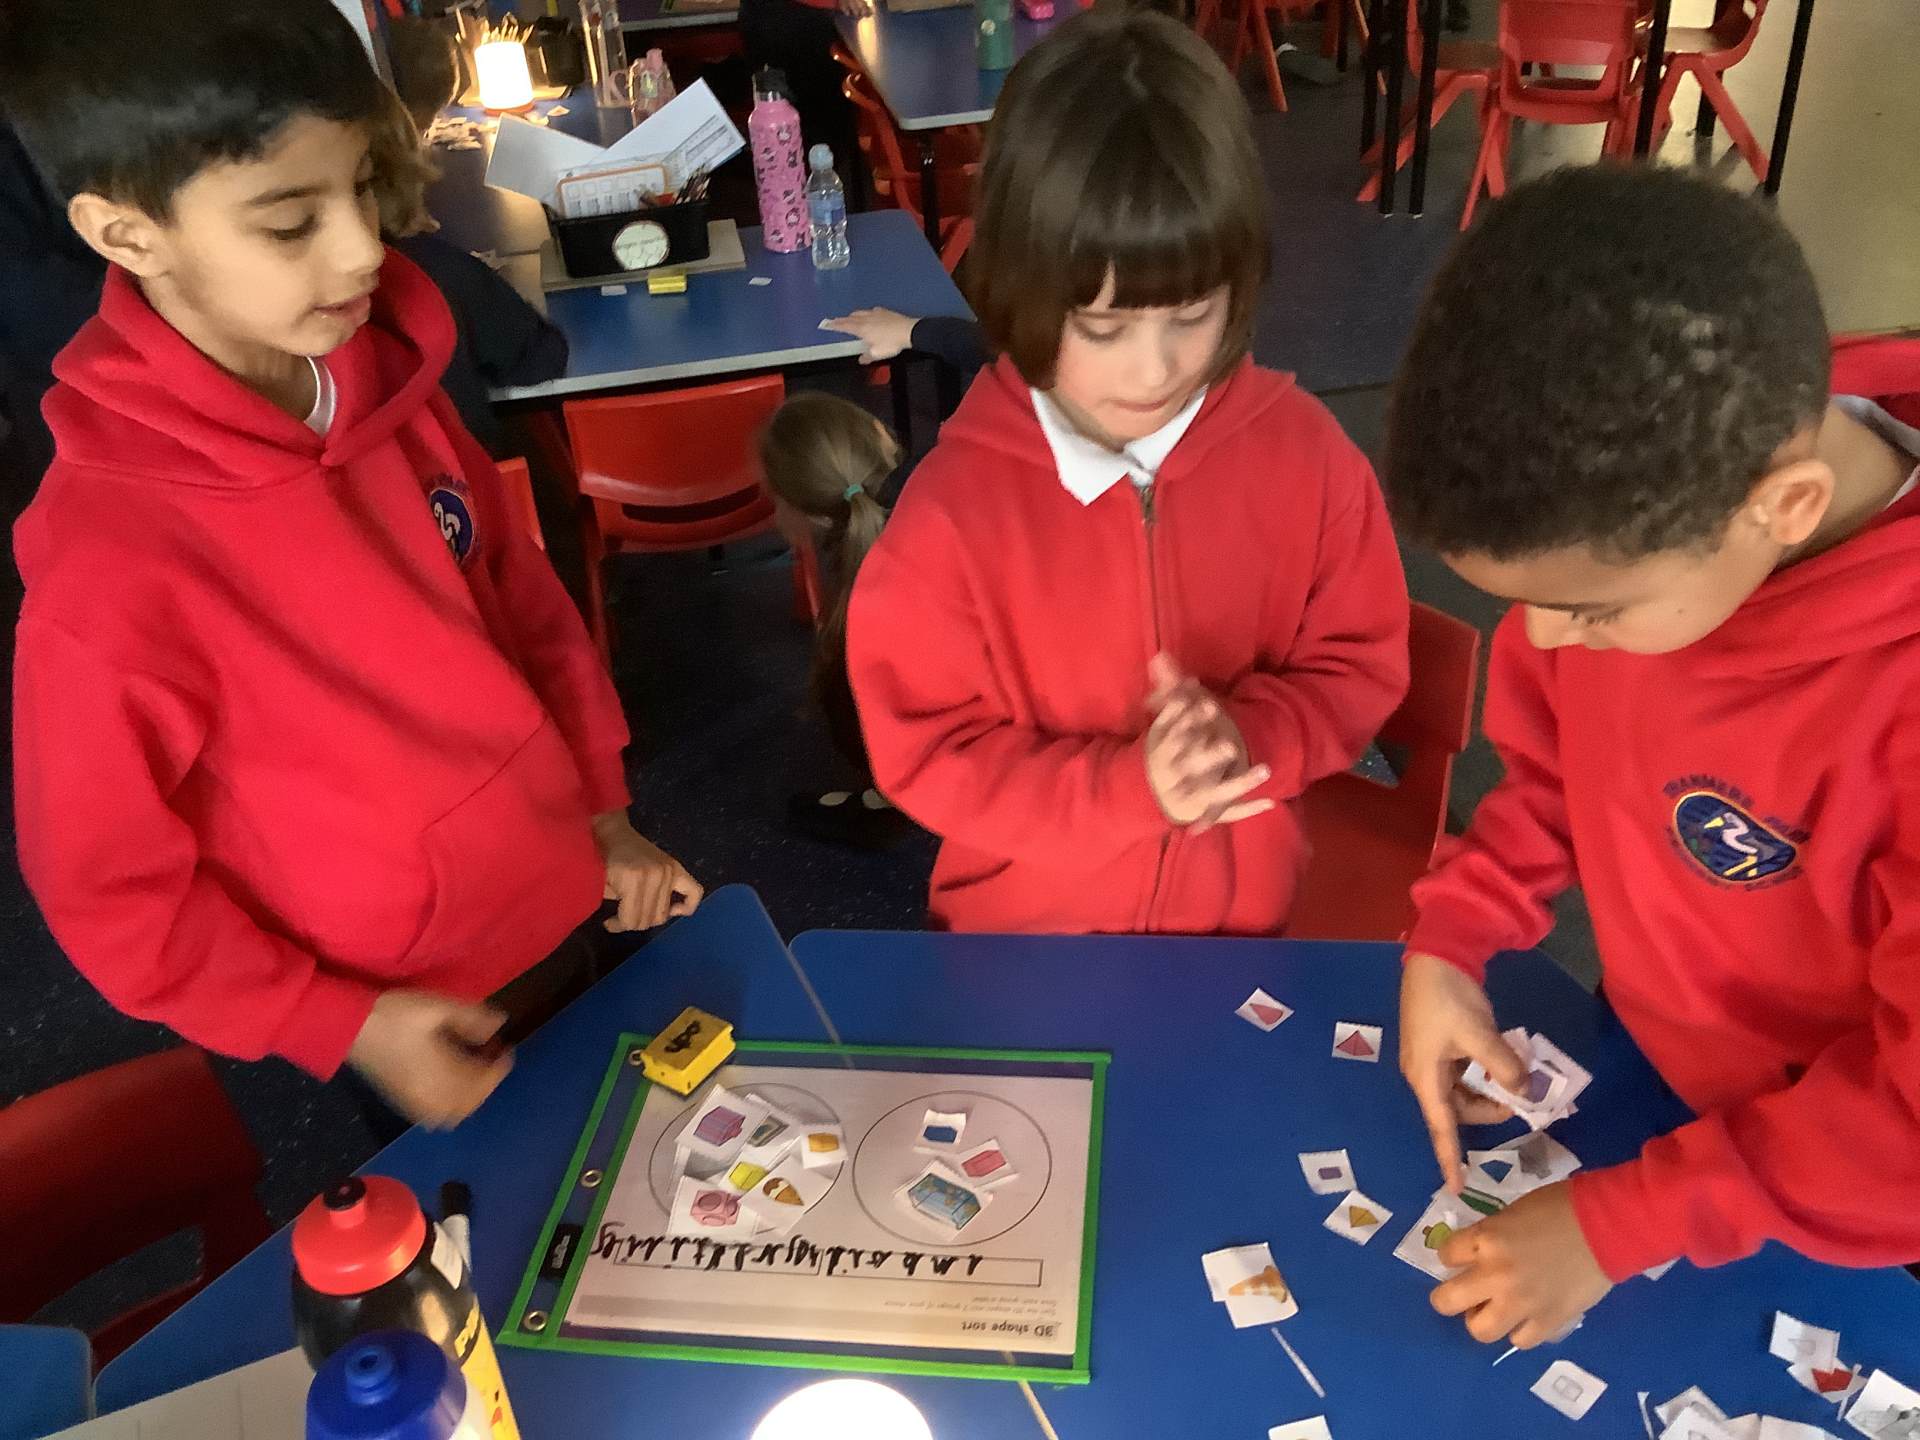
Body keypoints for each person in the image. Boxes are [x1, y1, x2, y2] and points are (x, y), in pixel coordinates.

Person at [3, 0, 702, 1132]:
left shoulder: (389, 387)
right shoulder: (106, 561)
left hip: (576, 893)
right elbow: (108, 888)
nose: (365, 248)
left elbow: (528, 614)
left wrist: (605, 812)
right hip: (413, 1003)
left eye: (364, 188)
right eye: (291, 222)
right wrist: (340, 1024)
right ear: (125, 234)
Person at [1386, 164, 1920, 1348]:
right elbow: (1559, 775)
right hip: (1650, 1068)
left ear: (1786, 506)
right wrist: (1456, 934)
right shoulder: (1633, 513)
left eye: (1591, 611)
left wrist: (1621, 1226)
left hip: (1855, 1189)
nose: (1542, 641)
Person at [845, 10, 1409, 935]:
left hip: (1246, 927)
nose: (1155, 370)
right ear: (1021, 287)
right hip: (1028, 946)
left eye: (1193, 315)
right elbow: (928, 752)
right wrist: (1126, 788)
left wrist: (1253, 737)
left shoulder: (1308, 458)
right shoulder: (951, 515)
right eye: (1103, 328)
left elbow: (1358, 663)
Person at [758, 391, 912, 848]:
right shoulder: (950, 514)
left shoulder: (851, 639)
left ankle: (887, 803)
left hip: (932, 766)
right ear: (883, 440)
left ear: (796, 513)